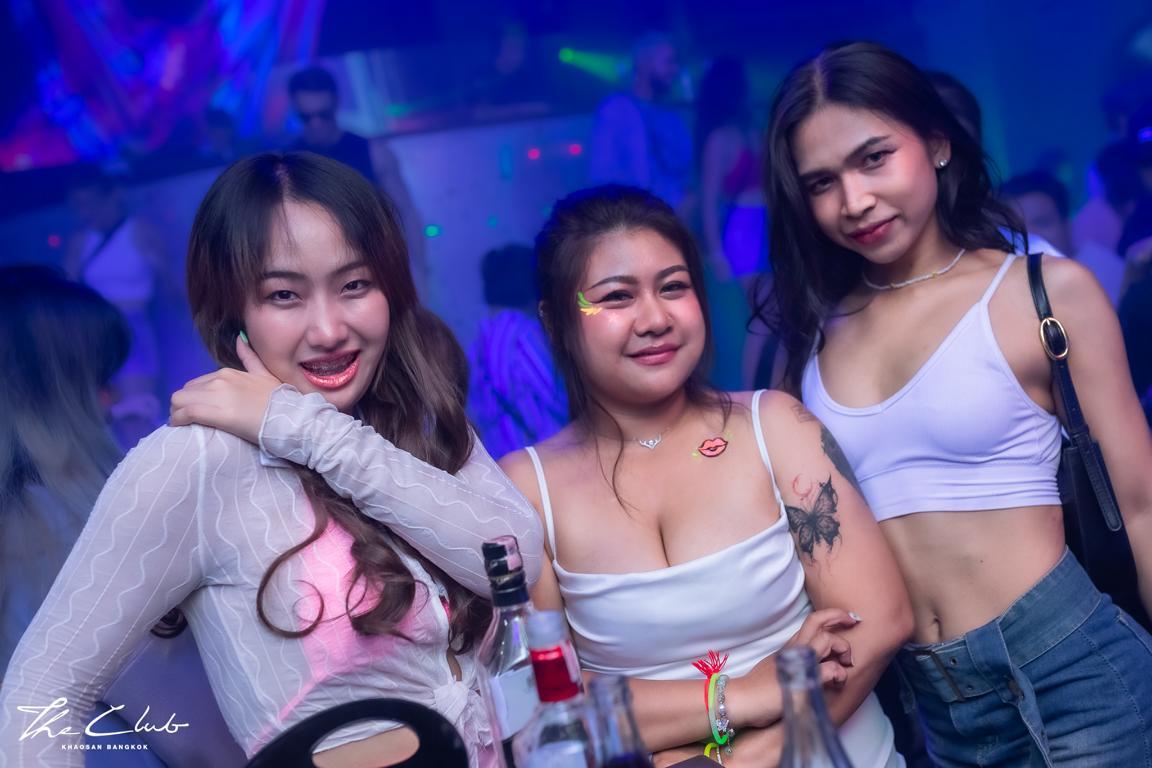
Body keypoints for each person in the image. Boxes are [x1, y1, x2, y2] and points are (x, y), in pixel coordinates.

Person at [0, 152, 542, 768]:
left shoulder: (417, 421)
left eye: (355, 285)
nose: (328, 329)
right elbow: (38, 693)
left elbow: (514, 560)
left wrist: (304, 428)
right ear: (234, 311)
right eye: (284, 295)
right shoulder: (193, 462)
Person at [760, 41, 1152, 765]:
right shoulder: (809, 339)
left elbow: (1142, 507)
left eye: (875, 158)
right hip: (936, 713)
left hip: (1077, 675)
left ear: (937, 145)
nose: (854, 201)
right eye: (822, 182)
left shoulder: (1043, 293)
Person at [498, 185, 912, 767]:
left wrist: (743, 761)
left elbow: (878, 622)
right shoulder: (527, 489)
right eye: (616, 297)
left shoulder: (774, 426)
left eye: (674, 287)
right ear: (555, 319)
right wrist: (745, 692)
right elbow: (548, 703)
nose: (655, 319)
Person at [0, 266, 246, 767]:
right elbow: (203, 740)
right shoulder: (67, 531)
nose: (113, 398)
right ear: (55, 398)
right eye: (101, 380)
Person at [287, 65, 428, 296]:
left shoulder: (373, 152)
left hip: (374, 267)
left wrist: (418, 269)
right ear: (295, 110)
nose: (316, 124)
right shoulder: (287, 163)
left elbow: (406, 212)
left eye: (324, 114)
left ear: (336, 104)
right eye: (306, 117)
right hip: (316, 276)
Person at [65, 165, 165, 448]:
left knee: (137, 410)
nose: (84, 212)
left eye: (89, 203)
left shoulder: (139, 230)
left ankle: (151, 470)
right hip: (93, 333)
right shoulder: (80, 241)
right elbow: (67, 291)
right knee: (110, 415)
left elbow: (171, 282)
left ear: (112, 197)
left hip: (132, 327)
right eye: (78, 205)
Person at [467, 244, 568, 460]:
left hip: (501, 459)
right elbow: (555, 398)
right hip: (542, 457)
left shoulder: (481, 336)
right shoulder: (523, 333)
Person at [587, 33, 693, 212]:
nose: (675, 69)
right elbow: (601, 175)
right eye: (668, 62)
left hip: (673, 216)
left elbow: (683, 171)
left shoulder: (671, 115)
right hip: (637, 218)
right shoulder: (616, 109)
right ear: (644, 64)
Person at [1001, 170, 1125, 304]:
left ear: (1067, 226)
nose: (1029, 237)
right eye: (1014, 229)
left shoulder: (1104, 270)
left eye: (1042, 223)